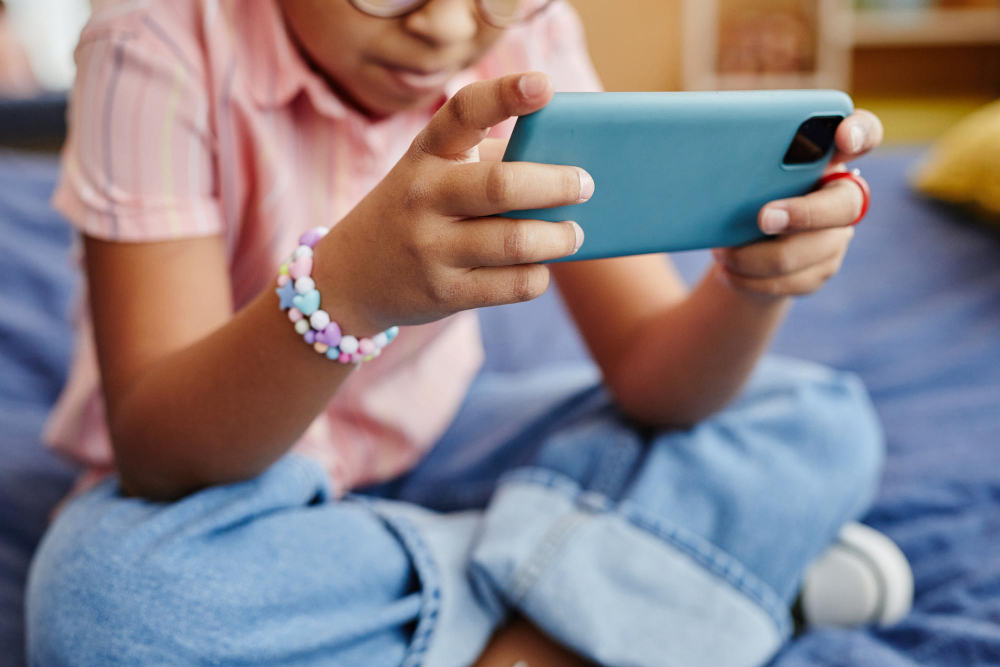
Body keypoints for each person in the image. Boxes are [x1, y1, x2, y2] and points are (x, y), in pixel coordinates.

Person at [26, 0, 911, 664]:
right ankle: (652, 586)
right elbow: (157, 450)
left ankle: (552, 604)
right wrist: (347, 292)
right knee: (106, 601)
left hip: (437, 431)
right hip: (224, 483)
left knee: (814, 415)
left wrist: (753, 281)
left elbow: (654, 377)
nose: (449, 26)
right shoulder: (153, 38)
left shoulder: (527, 32)